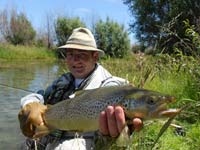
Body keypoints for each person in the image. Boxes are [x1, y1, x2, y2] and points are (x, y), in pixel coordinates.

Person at [18, 27, 142, 150]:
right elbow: (40, 95)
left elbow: (114, 90)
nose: (75, 61)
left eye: (81, 55)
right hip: (50, 138)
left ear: (95, 56)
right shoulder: (64, 80)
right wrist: (30, 104)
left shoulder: (109, 83)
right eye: (70, 54)